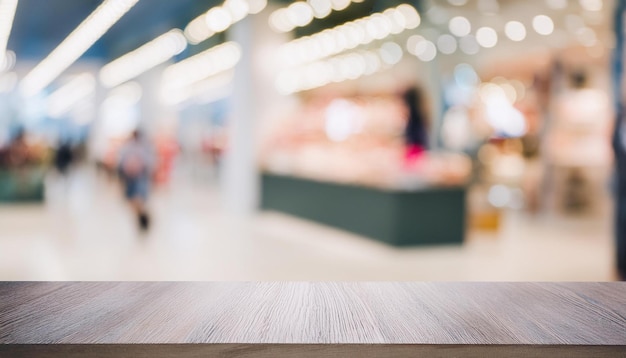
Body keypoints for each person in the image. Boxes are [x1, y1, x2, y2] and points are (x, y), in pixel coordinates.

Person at [117, 130, 156, 231]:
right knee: (131, 201)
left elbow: (150, 162)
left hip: (140, 177)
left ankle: (143, 220)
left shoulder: (145, 147)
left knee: (139, 199)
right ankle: (141, 217)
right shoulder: (127, 147)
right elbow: (121, 161)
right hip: (129, 178)